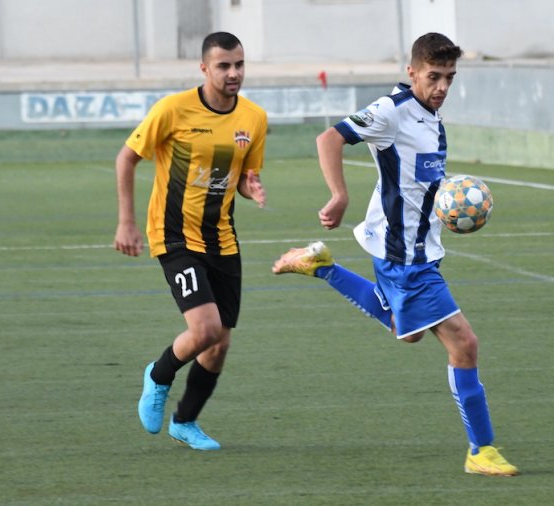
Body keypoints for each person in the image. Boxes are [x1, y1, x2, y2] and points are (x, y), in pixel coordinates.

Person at [272, 32, 518, 476]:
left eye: (449, 78)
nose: (441, 87)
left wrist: (446, 202)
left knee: (408, 333)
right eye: (433, 77)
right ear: (411, 73)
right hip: (405, 257)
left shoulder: (431, 118)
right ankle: (481, 451)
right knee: (465, 343)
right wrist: (338, 194)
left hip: (415, 248)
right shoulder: (393, 110)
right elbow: (328, 138)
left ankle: (322, 266)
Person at [113, 31, 267, 450]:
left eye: (239, 64)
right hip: (174, 235)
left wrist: (252, 189)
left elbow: (243, 179)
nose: (233, 73)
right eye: (223, 66)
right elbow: (126, 157)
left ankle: (185, 422)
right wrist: (126, 222)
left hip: (223, 240)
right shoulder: (173, 110)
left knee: (220, 343)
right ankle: (158, 375)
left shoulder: (253, 118)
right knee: (205, 329)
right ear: (204, 68)